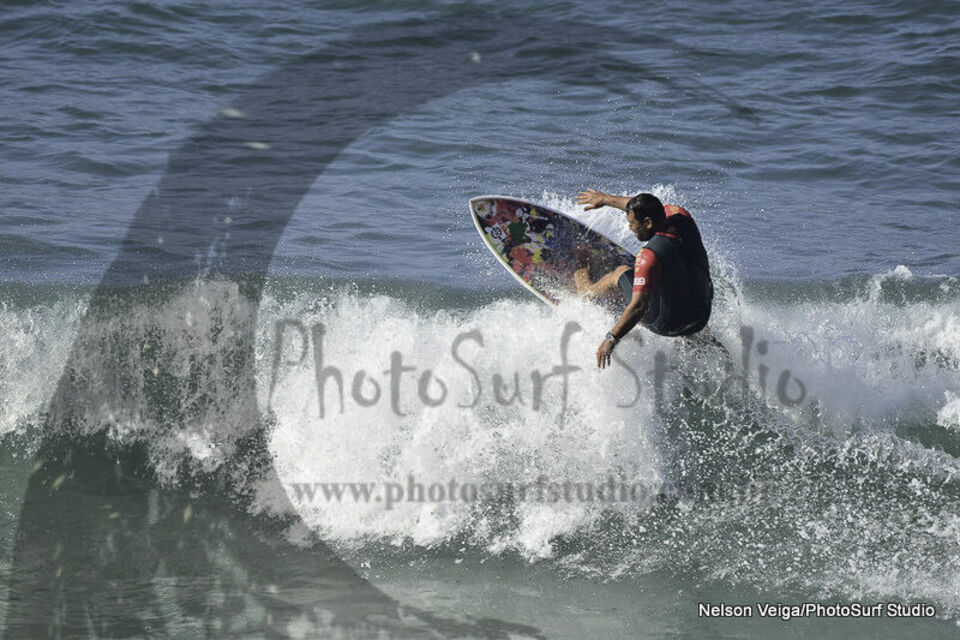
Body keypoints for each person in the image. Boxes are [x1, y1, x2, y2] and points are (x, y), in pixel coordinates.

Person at [574, 189, 714, 368]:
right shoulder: (681, 216)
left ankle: (586, 291)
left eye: (632, 223)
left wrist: (612, 338)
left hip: (667, 325)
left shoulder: (648, 256)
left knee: (621, 272)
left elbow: (639, 306)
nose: (630, 228)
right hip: (702, 315)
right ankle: (696, 335)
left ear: (648, 223)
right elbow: (642, 207)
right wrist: (605, 199)